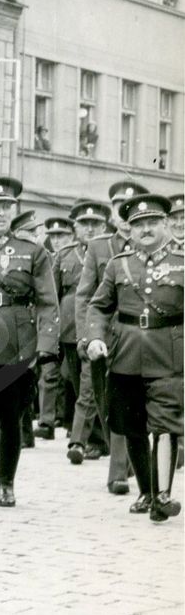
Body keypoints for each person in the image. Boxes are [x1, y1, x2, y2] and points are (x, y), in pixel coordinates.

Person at [85, 194, 183, 522]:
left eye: (153, 222)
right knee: (132, 426)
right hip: (125, 354)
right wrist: (96, 338)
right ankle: (146, 491)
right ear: (130, 229)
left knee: (166, 423)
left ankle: (164, 495)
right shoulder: (119, 264)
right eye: (139, 224)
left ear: (167, 224)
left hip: (169, 354)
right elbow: (99, 305)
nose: (146, 229)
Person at [0, 176, 59, 508]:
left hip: (17, 347)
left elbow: (48, 301)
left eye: (6, 207)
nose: (1, 213)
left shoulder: (31, 250)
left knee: (10, 417)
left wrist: (46, 345)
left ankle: (5, 482)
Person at [74, 180, 147, 496]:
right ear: (114, 214)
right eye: (119, 208)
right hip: (104, 337)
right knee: (109, 404)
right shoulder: (99, 247)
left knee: (136, 403)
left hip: (139, 338)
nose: (124, 214)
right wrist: (86, 338)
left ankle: (124, 467)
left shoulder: (151, 243)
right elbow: (85, 296)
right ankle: (123, 464)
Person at [52, 201, 110, 464]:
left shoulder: (109, 251)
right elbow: (55, 293)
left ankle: (87, 439)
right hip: (69, 329)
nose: (90, 229)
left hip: (101, 329)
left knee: (91, 385)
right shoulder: (64, 254)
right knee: (77, 383)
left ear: (104, 226)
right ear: (75, 227)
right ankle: (94, 435)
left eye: (95, 224)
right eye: (84, 224)